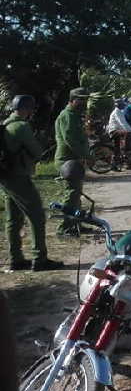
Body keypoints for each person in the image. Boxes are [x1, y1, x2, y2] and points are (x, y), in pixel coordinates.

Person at [1, 95, 63, 271]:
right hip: (19, 177)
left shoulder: (6, 123)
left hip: (6, 177)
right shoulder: (21, 126)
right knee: (37, 216)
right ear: (27, 109)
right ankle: (40, 258)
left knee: (13, 219)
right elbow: (37, 152)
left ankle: (16, 258)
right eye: (31, 109)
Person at [55, 87, 91, 238]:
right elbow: (70, 139)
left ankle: (76, 224)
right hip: (67, 160)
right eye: (80, 99)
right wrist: (85, 154)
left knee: (76, 195)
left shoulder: (75, 115)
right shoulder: (67, 115)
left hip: (74, 159)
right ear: (72, 99)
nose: (83, 102)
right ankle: (63, 228)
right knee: (70, 195)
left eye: (85, 99)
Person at [107, 98, 131, 167]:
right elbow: (122, 123)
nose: (123, 106)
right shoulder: (116, 112)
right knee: (127, 135)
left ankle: (123, 153)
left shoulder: (119, 112)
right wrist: (130, 130)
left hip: (117, 130)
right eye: (122, 105)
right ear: (118, 105)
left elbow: (124, 123)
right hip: (114, 130)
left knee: (118, 146)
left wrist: (130, 129)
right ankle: (125, 151)